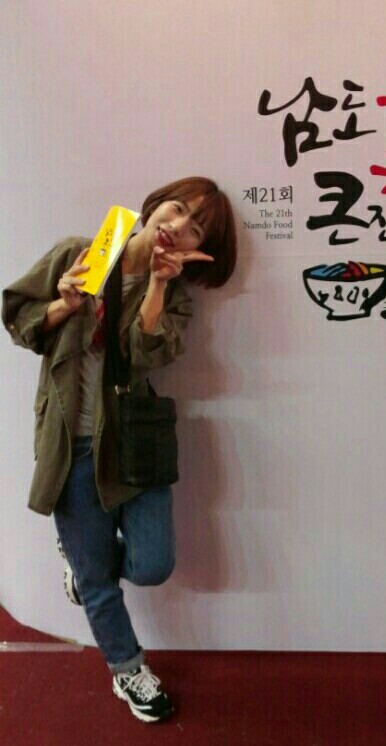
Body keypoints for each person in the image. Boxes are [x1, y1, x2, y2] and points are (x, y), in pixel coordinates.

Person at [1, 176, 237, 723]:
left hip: (132, 446)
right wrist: (62, 305)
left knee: (152, 566)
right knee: (97, 582)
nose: (177, 227)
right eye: (176, 210)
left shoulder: (176, 297)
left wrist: (156, 286)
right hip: (71, 444)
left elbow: (143, 356)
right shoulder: (80, 253)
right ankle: (128, 668)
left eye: (195, 229)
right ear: (154, 207)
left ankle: (81, 558)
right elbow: (18, 318)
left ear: (197, 249)